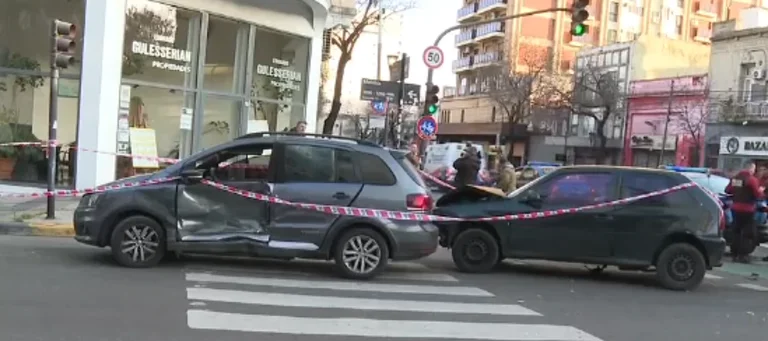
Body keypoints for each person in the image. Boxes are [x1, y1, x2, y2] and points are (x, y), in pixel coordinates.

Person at [725, 161, 764, 263]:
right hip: (748, 209)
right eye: (753, 169)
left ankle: (734, 253)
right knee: (748, 233)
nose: (754, 171)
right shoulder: (751, 180)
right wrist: (761, 190)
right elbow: (757, 194)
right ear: (750, 168)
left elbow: (728, 190)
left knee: (736, 231)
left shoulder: (736, 179)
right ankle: (743, 255)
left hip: (735, 208)